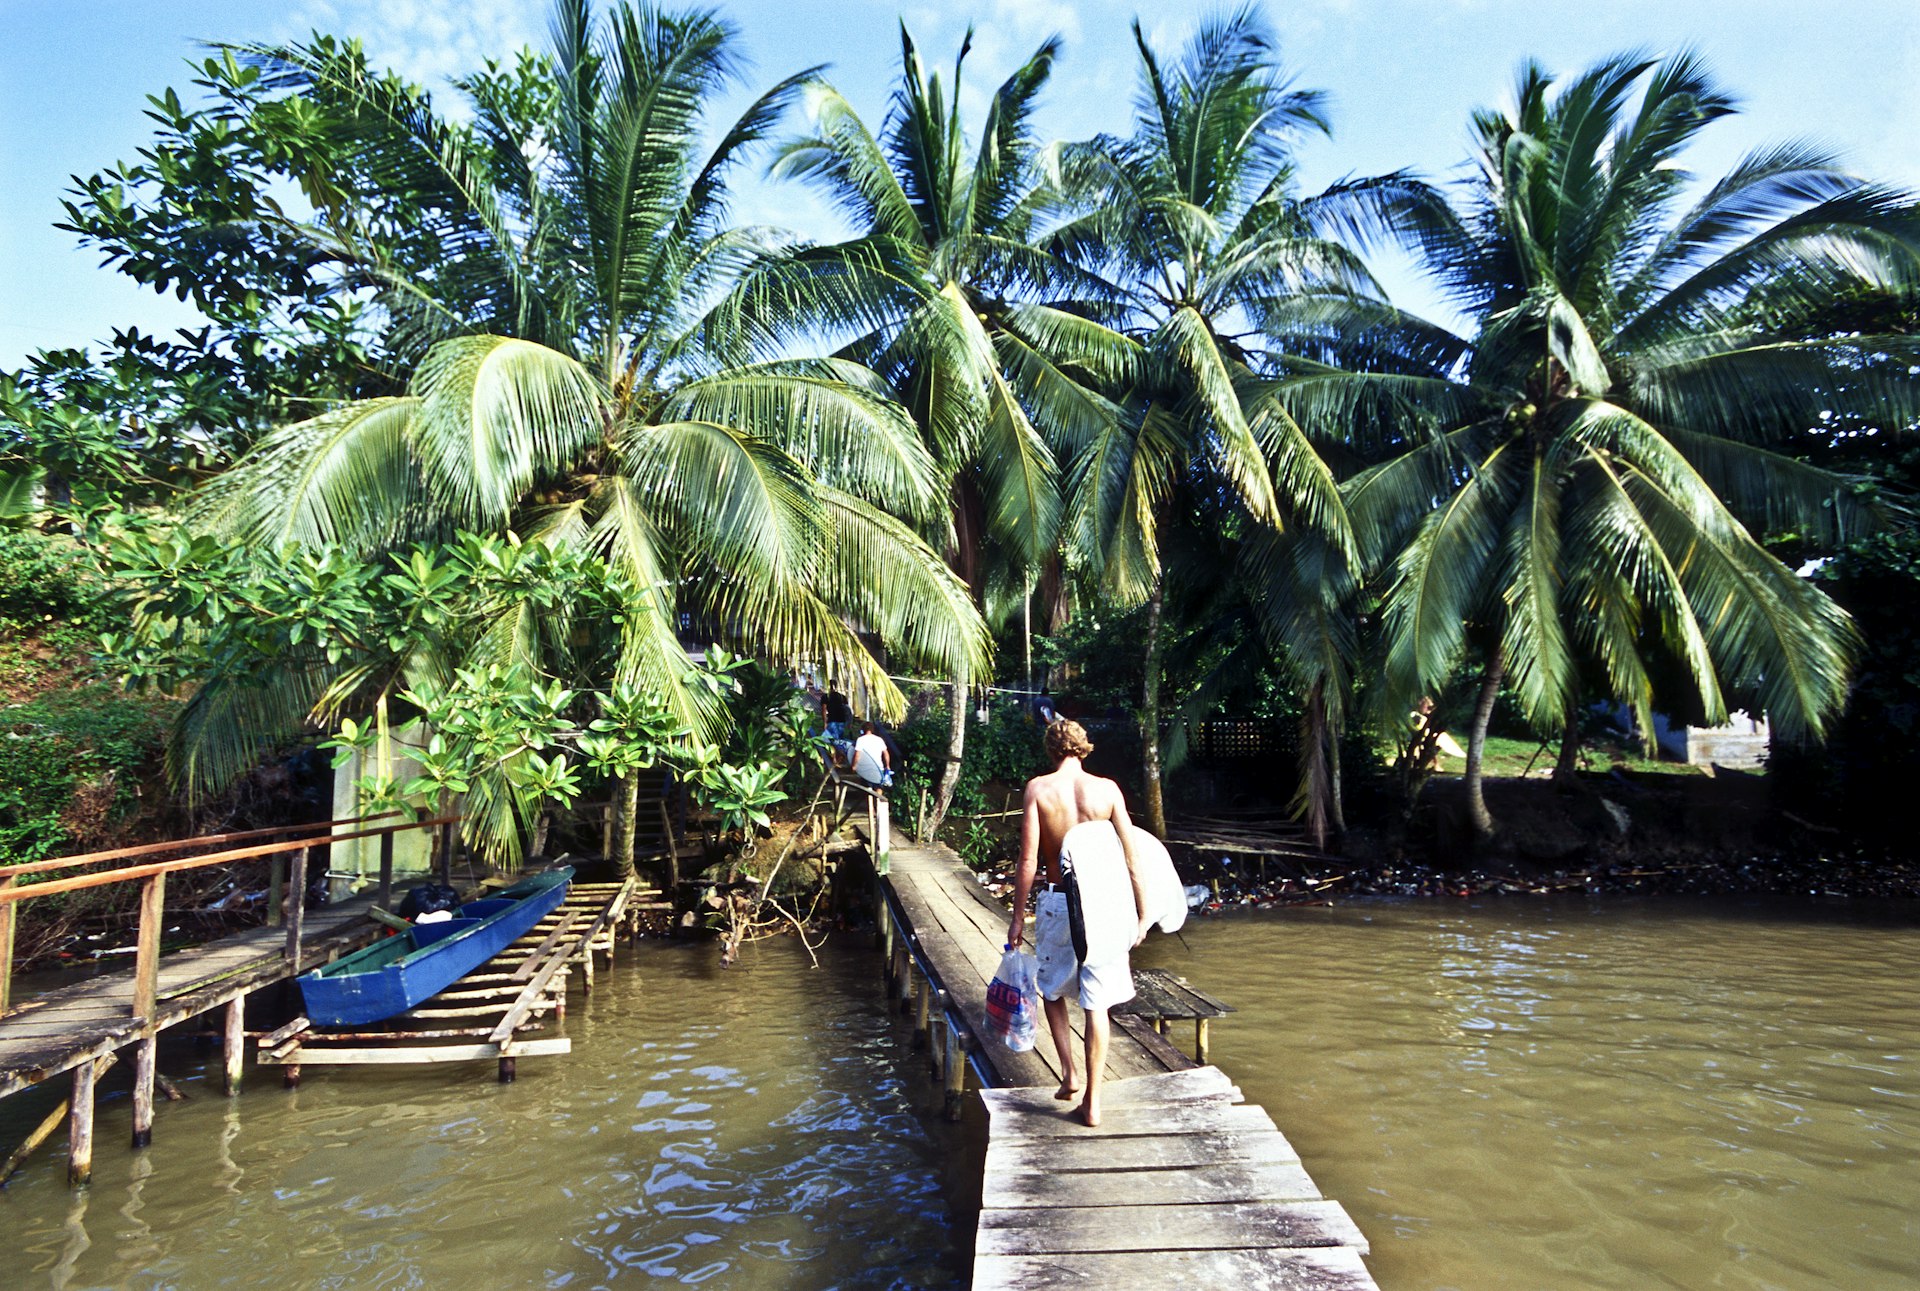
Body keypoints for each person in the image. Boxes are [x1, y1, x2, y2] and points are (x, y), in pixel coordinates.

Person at [1006, 718, 1150, 1128]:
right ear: (1084, 747)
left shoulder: (1038, 789)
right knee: (1097, 1002)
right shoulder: (1107, 791)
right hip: (1104, 904)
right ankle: (1094, 1101)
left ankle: (1068, 1072)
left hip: (1057, 900)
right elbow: (1131, 856)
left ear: (1051, 749)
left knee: (1051, 988)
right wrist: (1142, 913)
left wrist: (1017, 918)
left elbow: (1029, 862)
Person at [852, 721, 892, 789]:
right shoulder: (879, 740)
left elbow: (857, 755)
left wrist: (854, 766)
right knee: (879, 787)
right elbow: (886, 754)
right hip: (879, 767)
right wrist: (887, 766)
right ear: (872, 729)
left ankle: (869, 799)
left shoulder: (860, 740)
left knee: (867, 788)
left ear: (863, 729)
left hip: (865, 768)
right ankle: (878, 799)